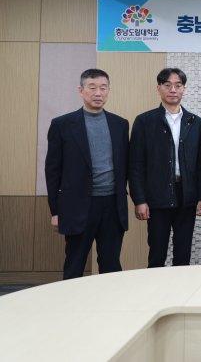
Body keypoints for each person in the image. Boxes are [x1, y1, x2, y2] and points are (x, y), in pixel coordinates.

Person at [45, 69, 129, 279]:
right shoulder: (62, 124)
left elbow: (126, 165)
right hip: (78, 205)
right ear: (81, 90)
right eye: (92, 87)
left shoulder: (120, 124)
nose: (98, 93)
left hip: (112, 205)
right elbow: (52, 171)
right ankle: (70, 301)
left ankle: (110, 301)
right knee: (74, 264)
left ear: (108, 90)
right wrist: (55, 211)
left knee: (111, 265)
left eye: (103, 88)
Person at [128, 68, 201, 268]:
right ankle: (157, 288)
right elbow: (135, 164)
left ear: (184, 89)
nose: (173, 90)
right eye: (167, 85)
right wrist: (139, 200)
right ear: (159, 88)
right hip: (157, 195)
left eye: (178, 85)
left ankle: (180, 288)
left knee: (183, 252)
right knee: (157, 252)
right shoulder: (144, 121)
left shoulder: (195, 122)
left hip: (186, 195)